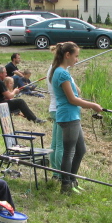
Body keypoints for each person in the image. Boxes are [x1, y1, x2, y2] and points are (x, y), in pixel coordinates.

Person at [49, 42, 102, 194]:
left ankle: (72, 180)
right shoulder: (61, 73)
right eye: (76, 56)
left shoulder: (61, 71)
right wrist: (92, 105)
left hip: (73, 115)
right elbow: (72, 99)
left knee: (81, 150)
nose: (77, 60)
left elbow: (74, 94)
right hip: (68, 116)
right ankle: (66, 185)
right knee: (69, 152)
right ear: (67, 55)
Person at [46, 48, 63, 180]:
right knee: (60, 145)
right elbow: (75, 91)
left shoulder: (53, 68)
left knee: (55, 144)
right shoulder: (59, 71)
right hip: (59, 110)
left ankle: (55, 173)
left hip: (54, 108)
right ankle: (59, 173)